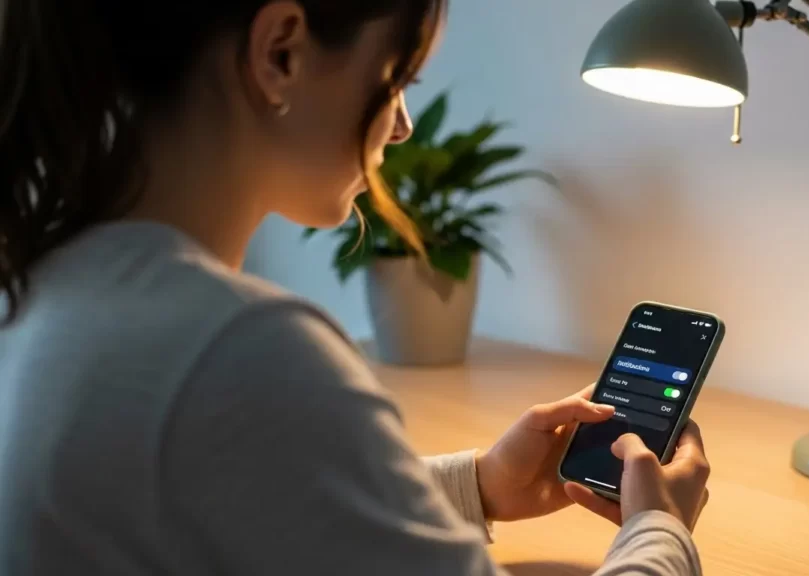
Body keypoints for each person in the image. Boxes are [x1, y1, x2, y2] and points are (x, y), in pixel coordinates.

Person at [0, 1, 712, 574]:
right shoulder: (240, 349)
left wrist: (479, 485)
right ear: (281, 52)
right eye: (396, 78)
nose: (401, 126)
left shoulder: (50, 280)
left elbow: (249, 491)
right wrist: (659, 533)